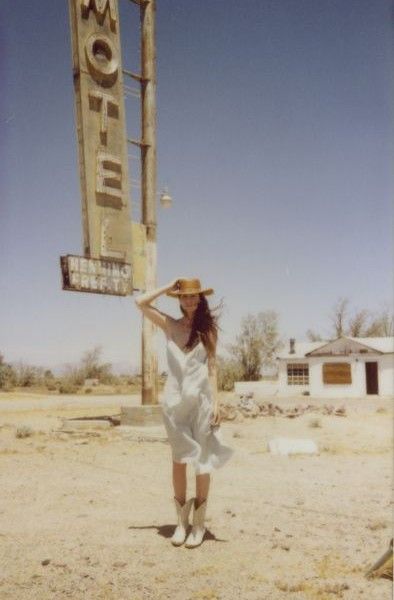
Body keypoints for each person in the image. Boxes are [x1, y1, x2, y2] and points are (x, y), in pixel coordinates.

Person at [135, 277, 234, 548]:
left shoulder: (208, 330)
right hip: (175, 402)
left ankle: (198, 525)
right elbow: (140, 302)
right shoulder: (170, 325)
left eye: (194, 296)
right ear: (179, 299)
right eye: (184, 296)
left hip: (201, 402)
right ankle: (181, 523)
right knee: (178, 460)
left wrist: (216, 403)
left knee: (202, 459)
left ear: (201, 299)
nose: (189, 300)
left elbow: (212, 367)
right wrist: (169, 286)